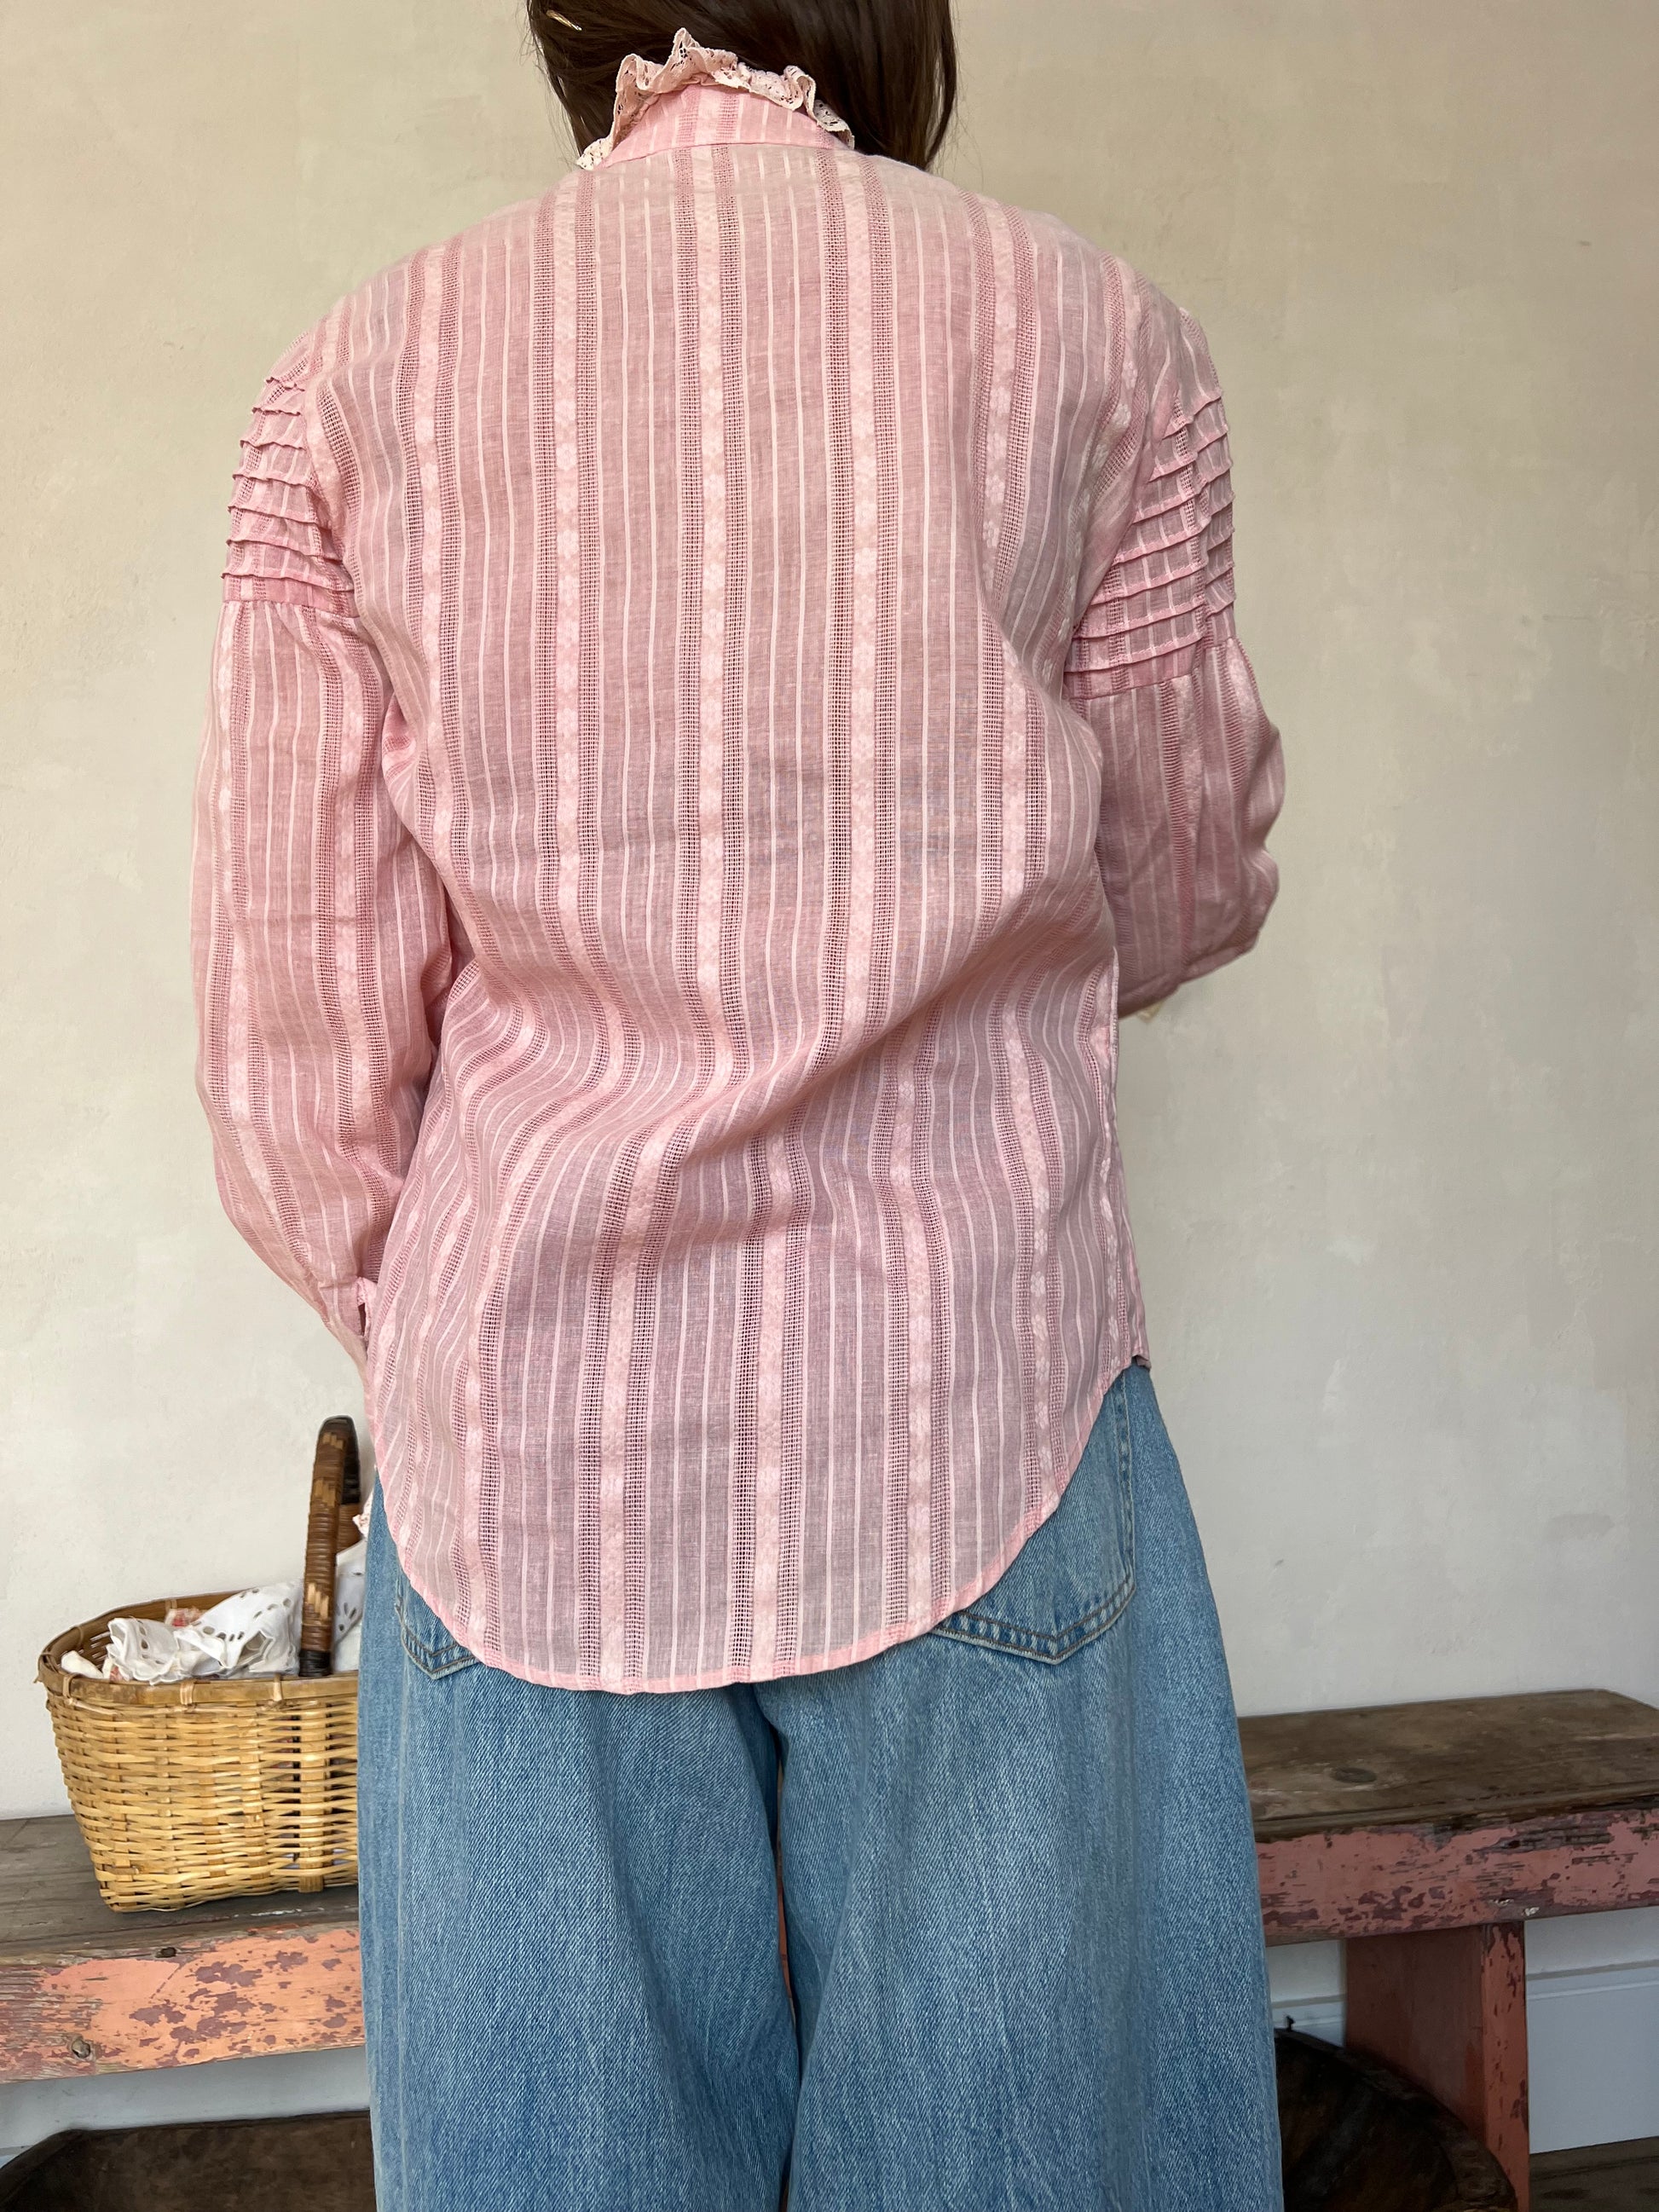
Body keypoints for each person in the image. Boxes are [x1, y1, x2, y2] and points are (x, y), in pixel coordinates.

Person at [191, 3, 1286, 2204]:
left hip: (529, 1444)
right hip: (977, 1370)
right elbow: (1177, 882)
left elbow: (289, 1028)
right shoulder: (1096, 335)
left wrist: (439, 1322)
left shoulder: (360, 372)